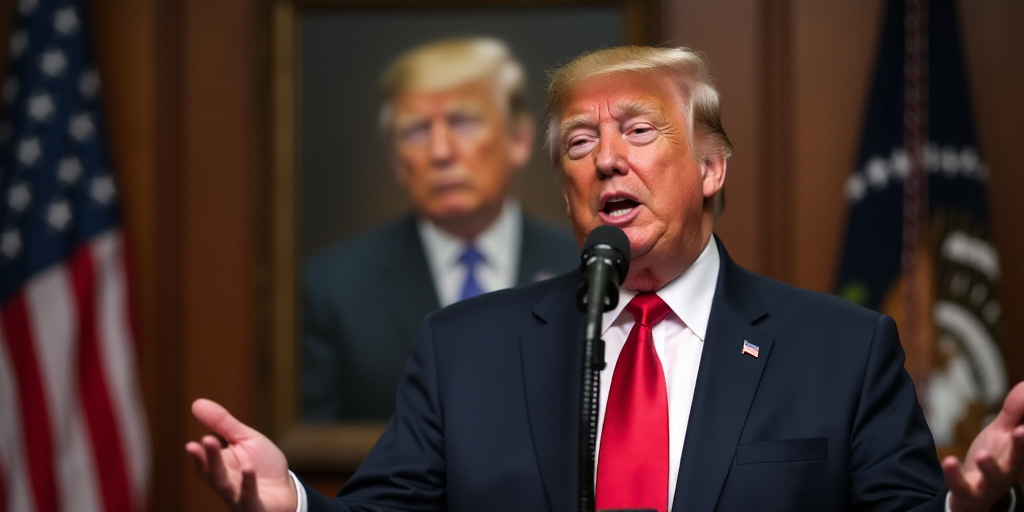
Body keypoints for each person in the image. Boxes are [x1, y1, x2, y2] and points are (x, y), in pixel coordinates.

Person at [188, 46, 1024, 511]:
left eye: (637, 129)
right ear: (564, 187)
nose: (608, 158)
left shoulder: (843, 350)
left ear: (711, 167)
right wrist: (289, 504)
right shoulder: (466, 349)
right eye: (580, 146)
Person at [302, 37, 578, 421]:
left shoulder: (584, 268)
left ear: (519, 139)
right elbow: (317, 449)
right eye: (415, 131)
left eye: (462, 122)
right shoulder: (333, 289)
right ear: (397, 161)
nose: (440, 152)